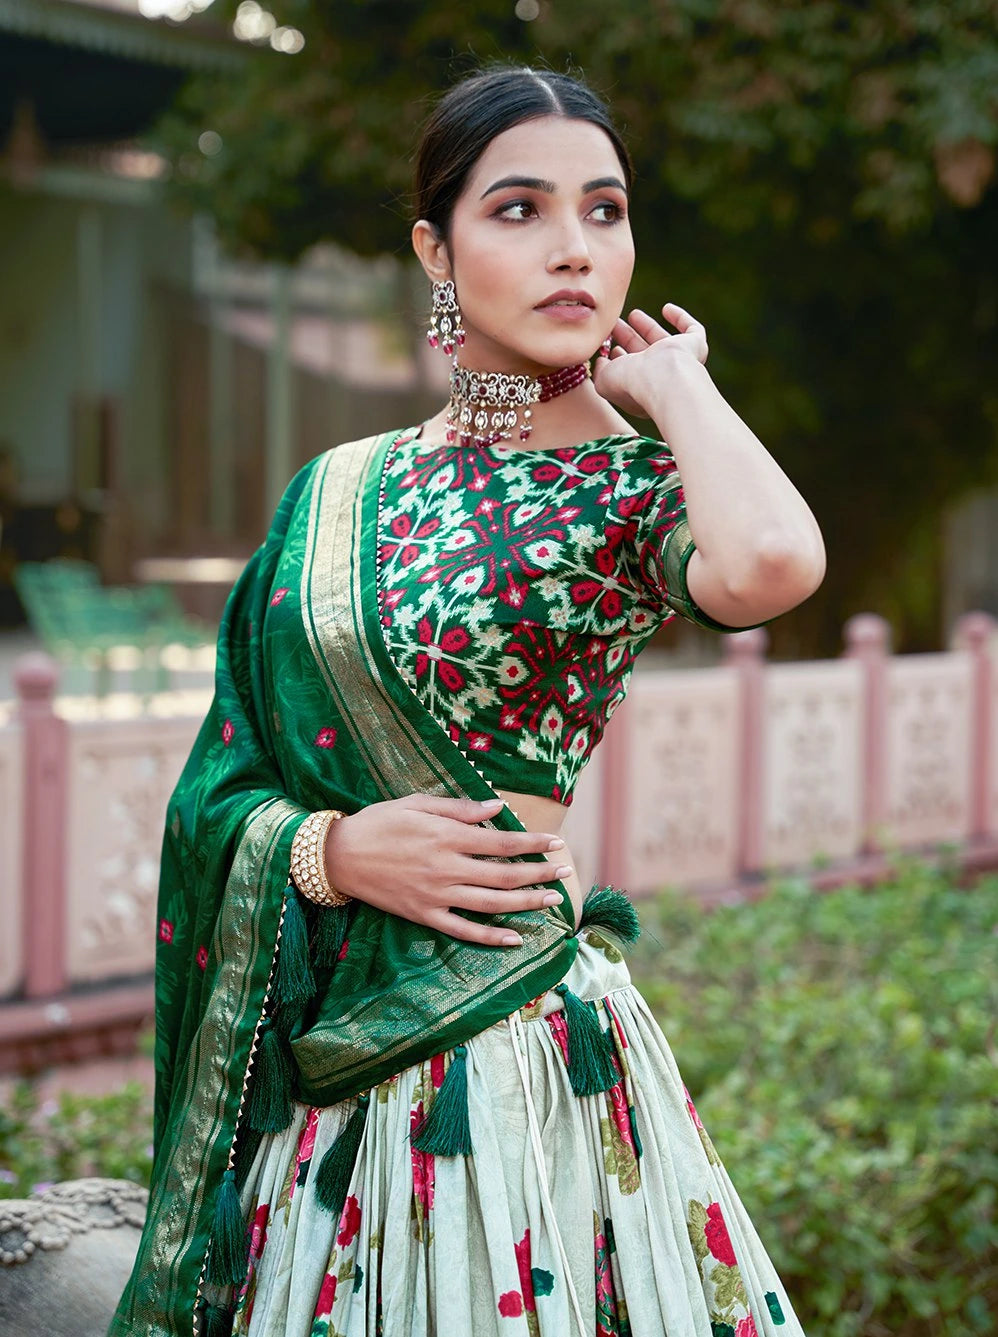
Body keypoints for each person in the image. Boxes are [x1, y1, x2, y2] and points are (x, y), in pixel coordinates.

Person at [111, 65, 825, 1337]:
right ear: (433, 248)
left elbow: (771, 565)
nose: (572, 249)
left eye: (603, 212)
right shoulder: (337, 485)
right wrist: (324, 851)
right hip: (332, 1072)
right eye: (519, 211)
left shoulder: (634, 487)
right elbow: (227, 772)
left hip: (499, 1054)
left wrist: (676, 390)